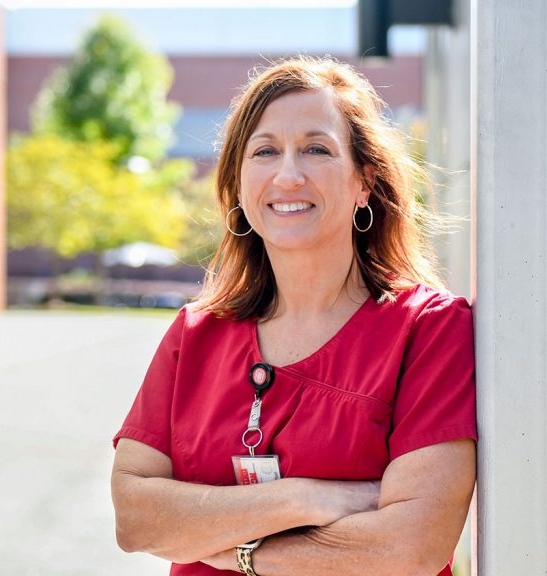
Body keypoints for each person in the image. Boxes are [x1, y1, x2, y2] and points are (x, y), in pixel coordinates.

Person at [110, 55, 477, 576]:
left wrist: (235, 550)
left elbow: (411, 547)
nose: (288, 174)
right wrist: (306, 500)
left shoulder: (429, 329)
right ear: (239, 186)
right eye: (265, 151)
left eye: (316, 149)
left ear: (363, 182)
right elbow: (136, 519)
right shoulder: (194, 334)